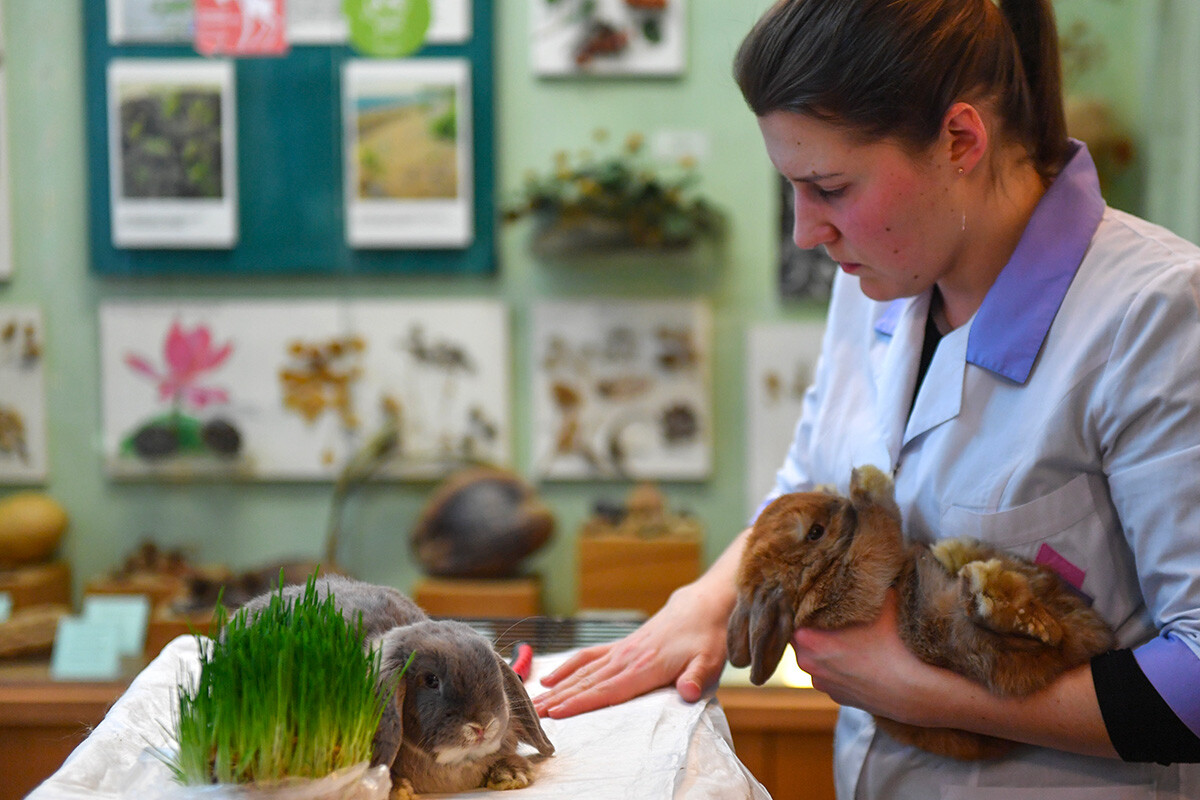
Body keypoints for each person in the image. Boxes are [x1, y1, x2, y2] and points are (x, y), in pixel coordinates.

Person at [532, 0, 1200, 797]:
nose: (806, 233)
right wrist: (703, 602)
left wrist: (918, 689)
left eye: (830, 187)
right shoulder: (881, 281)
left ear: (960, 140)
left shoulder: (1158, 317)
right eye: (793, 191)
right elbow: (812, 486)